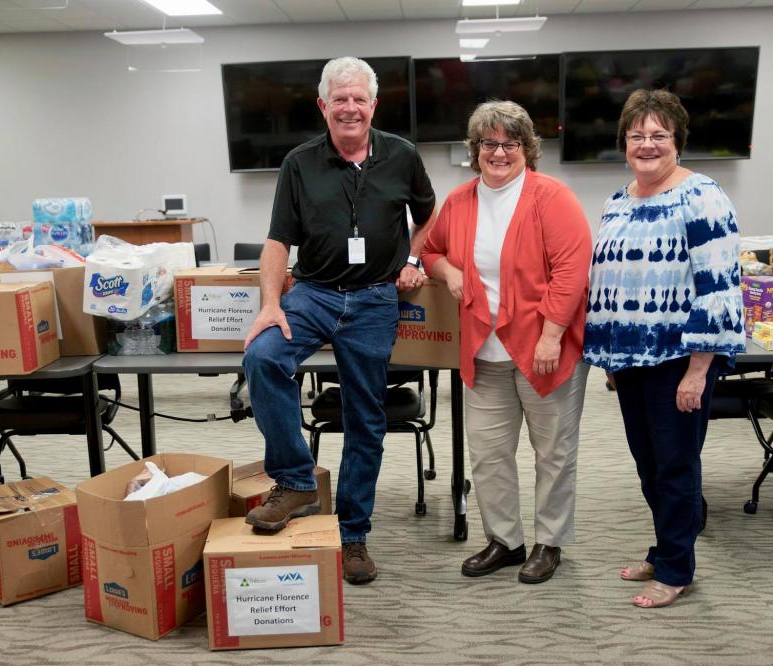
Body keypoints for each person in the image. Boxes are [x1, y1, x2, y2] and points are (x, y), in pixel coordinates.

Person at [242, 56, 436, 585]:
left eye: (360, 99)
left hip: (375, 300)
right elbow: (279, 240)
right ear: (323, 106)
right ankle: (296, 479)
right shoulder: (299, 163)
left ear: (373, 105)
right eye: (340, 99)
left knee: (365, 415)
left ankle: (354, 536)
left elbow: (428, 213)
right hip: (316, 293)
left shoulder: (403, 155)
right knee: (262, 356)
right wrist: (270, 304)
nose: (350, 108)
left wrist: (414, 260)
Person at [583, 89, 746, 608]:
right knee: (649, 464)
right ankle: (666, 548)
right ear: (624, 142)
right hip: (630, 359)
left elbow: (719, 288)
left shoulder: (702, 196)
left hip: (679, 359)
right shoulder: (619, 199)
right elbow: (610, 279)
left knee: (676, 466)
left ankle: (677, 569)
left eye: (659, 136)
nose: (647, 145)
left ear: (678, 141)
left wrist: (699, 371)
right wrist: (610, 358)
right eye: (637, 136)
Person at [422, 101, 592, 584]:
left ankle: (549, 542)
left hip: (544, 350)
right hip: (483, 351)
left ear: (526, 149)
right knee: (488, 453)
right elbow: (430, 250)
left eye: (509, 144)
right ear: (475, 151)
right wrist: (448, 270)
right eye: (489, 144)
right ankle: (505, 540)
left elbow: (572, 272)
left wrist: (552, 335)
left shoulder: (550, 197)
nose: (499, 153)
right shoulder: (458, 201)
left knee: (553, 452)